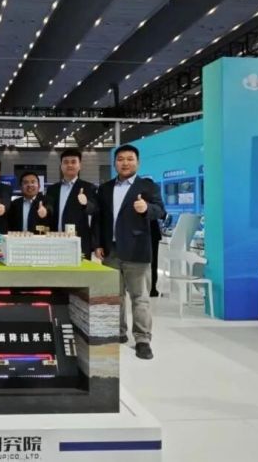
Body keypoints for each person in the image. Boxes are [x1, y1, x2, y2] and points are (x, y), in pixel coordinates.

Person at [93, 144, 165, 360]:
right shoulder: (105, 188)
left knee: (139, 297)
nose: (125, 163)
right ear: (115, 163)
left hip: (137, 250)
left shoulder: (147, 187)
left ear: (138, 162)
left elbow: (161, 211)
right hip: (111, 251)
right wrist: (98, 243)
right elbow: (98, 218)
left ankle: (142, 339)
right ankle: (118, 331)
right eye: (120, 159)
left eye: (130, 159)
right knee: (113, 296)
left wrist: (147, 209)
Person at [45, 148, 97, 259]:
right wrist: (45, 211)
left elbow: (94, 209)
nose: (69, 165)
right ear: (61, 166)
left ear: (80, 166)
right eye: (66, 162)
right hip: (55, 241)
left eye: (73, 162)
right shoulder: (52, 189)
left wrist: (85, 203)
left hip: (78, 242)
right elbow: (49, 208)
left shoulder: (88, 187)